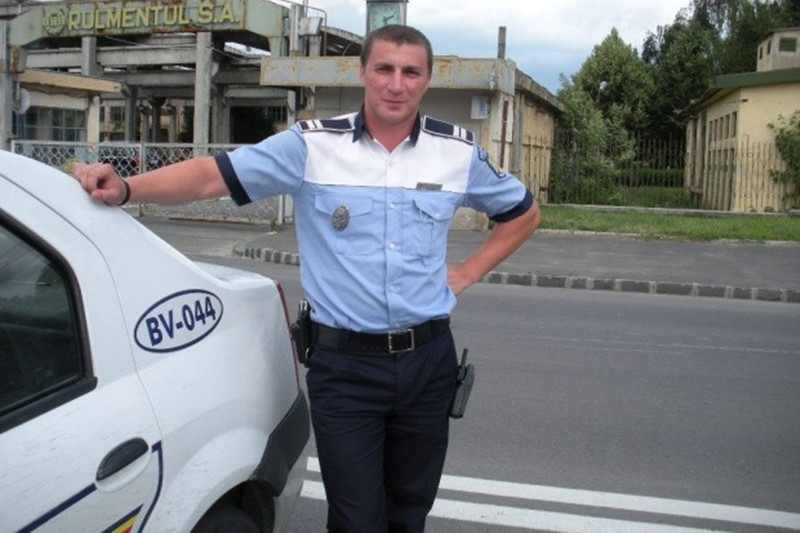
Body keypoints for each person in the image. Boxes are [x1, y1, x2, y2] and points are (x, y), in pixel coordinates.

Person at [73, 24, 540, 533]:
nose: (396, 84)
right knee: (356, 520)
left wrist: (467, 273)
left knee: (409, 513)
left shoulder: (456, 152)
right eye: (384, 68)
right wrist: (127, 187)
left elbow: (523, 213)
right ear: (362, 72)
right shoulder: (311, 146)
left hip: (428, 364)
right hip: (346, 371)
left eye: (411, 72)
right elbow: (211, 176)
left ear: (428, 79)